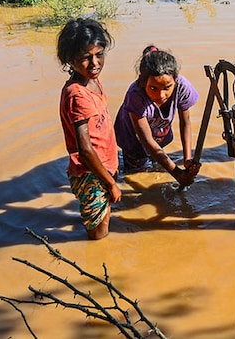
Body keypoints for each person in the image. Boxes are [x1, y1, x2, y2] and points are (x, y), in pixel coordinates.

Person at [57, 18, 121, 240]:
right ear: (70, 60)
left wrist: (112, 167)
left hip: (101, 170)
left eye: (99, 54)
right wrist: (111, 183)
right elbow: (85, 150)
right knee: (98, 236)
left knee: (104, 218)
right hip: (91, 174)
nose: (95, 63)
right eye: (86, 57)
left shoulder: (91, 81)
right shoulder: (77, 95)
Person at [114, 45, 200, 186]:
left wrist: (187, 159)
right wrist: (177, 174)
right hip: (132, 139)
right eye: (153, 88)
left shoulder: (182, 86)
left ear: (175, 81)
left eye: (167, 88)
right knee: (136, 173)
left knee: (157, 165)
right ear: (143, 83)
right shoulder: (135, 95)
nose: (161, 95)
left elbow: (185, 123)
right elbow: (146, 140)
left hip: (158, 134)